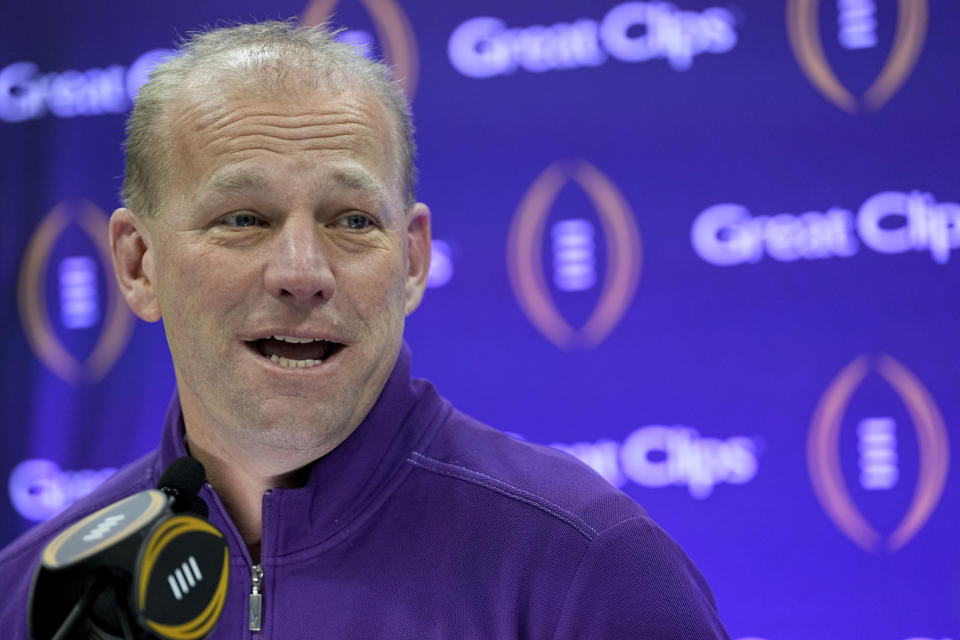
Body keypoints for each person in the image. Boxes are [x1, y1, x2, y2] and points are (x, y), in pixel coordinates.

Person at [0, 21, 729, 639]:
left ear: (411, 260)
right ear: (137, 265)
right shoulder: (31, 597)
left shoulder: (586, 566)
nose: (301, 271)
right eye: (243, 219)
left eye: (351, 220)